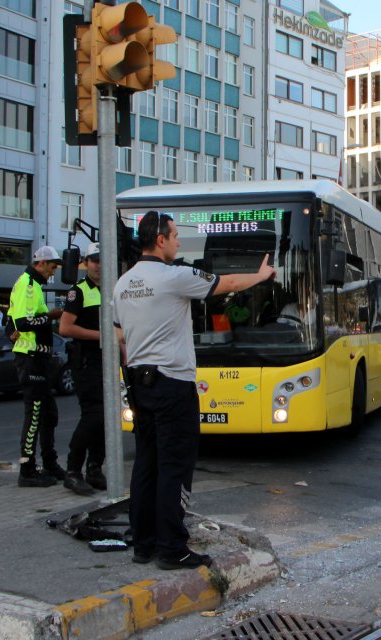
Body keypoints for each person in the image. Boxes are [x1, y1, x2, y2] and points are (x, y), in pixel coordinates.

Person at [113, 212, 275, 569]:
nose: (179, 242)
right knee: (174, 466)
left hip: (139, 383)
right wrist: (261, 276)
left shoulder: (122, 283)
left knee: (146, 464)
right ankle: (172, 548)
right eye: (174, 236)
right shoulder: (175, 276)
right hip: (172, 384)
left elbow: (120, 335)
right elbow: (228, 283)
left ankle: (144, 544)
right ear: (160, 240)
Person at [10, 246, 65, 488]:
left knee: (49, 414)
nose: (53, 273)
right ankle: (27, 469)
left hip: (38, 359)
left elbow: (12, 320)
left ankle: (49, 462)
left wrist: (11, 331)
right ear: (41, 263)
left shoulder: (32, 285)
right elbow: (22, 322)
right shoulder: (28, 285)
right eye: (52, 267)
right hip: (30, 358)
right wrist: (50, 317)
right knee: (34, 415)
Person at [59, 242, 106, 496]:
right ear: (86, 263)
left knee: (106, 418)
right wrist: (101, 336)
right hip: (87, 362)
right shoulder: (78, 292)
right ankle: (73, 471)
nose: (99, 266)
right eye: (95, 261)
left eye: (103, 260)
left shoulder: (111, 289)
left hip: (107, 362)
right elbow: (65, 328)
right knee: (93, 415)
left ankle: (95, 469)